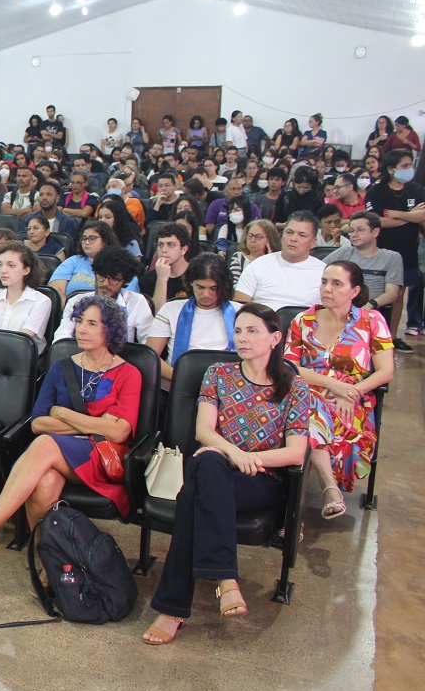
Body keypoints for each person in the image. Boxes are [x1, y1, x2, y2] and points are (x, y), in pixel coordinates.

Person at [143, 303, 311, 645]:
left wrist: (244, 459)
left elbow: (296, 452)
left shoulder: (294, 387)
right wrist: (234, 454)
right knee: (209, 460)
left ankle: (174, 610)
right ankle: (225, 579)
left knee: (193, 495)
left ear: (275, 338)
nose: (242, 338)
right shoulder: (219, 373)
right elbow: (204, 430)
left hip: (261, 480)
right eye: (237, 331)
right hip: (217, 465)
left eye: (252, 331)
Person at [0, 294, 142, 557]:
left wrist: (63, 414)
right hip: (62, 452)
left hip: (101, 457)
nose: (81, 329)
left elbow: (119, 432)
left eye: (92, 323)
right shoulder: (62, 367)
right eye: (79, 321)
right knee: (44, 482)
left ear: (110, 330)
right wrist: (94, 423)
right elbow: (38, 423)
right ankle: (46, 563)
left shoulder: (128, 373)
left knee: (45, 443)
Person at [287, 263, 394, 521]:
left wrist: (350, 391)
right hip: (306, 394)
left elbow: (386, 371)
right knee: (308, 411)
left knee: (304, 422)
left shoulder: (371, 322)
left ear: (355, 290)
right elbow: (291, 367)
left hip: (351, 402)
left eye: (337, 284)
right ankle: (328, 488)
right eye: (324, 282)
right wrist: (334, 386)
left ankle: (290, 519)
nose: (327, 289)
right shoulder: (304, 320)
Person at [146, 254, 241, 385]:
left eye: (213, 288)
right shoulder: (170, 310)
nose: (206, 294)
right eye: (200, 287)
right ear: (191, 282)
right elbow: (151, 357)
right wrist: (182, 378)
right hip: (179, 383)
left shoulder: (240, 313)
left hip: (229, 384)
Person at [364, 149, 425, 347]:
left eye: (410, 165)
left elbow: (422, 217)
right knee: (379, 294)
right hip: (382, 249)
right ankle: (371, 334)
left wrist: (395, 214)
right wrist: (410, 216)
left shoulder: (415, 189)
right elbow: (377, 221)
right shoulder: (377, 191)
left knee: (399, 294)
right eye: (405, 166)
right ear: (391, 169)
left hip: (407, 251)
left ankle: (392, 337)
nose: (409, 169)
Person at [54, 246, 153, 344]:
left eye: (113, 279)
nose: (105, 283)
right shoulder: (76, 301)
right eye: (101, 276)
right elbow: (61, 338)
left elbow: (148, 341)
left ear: (125, 281)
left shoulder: (136, 301)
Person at [233, 211, 326, 311]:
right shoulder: (258, 265)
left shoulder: (325, 273)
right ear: (281, 235)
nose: (293, 238)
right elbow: (239, 308)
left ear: (313, 242)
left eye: (302, 235)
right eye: (289, 232)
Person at [322, 212, 401, 324]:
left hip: (372, 311)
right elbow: (317, 270)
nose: (354, 235)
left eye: (360, 230)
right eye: (351, 231)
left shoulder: (391, 257)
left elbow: (392, 294)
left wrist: (370, 305)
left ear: (375, 232)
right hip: (339, 308)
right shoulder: (343, 253)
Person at [0, 242, 52, 352]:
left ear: (26, 270)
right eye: (0, 264)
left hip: (21, 359)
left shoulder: (41, 301)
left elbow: (23, 340)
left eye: (11, 265)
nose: (3, 270)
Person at [49, 219, 135, 301]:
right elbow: (56, 290)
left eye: (92, 238)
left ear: (105, 240)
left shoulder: (121, 265)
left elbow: (127, 296)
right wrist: (72, 311)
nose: (86, 242)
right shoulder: (73, 261)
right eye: (84, 238)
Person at [141, 223, 194, 312]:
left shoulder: (196, 276)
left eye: (170, 245)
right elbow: (157, 316)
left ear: (183, 249)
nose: (164, 250)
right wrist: (161, 279)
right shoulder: (147, 279)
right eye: (160, 245)